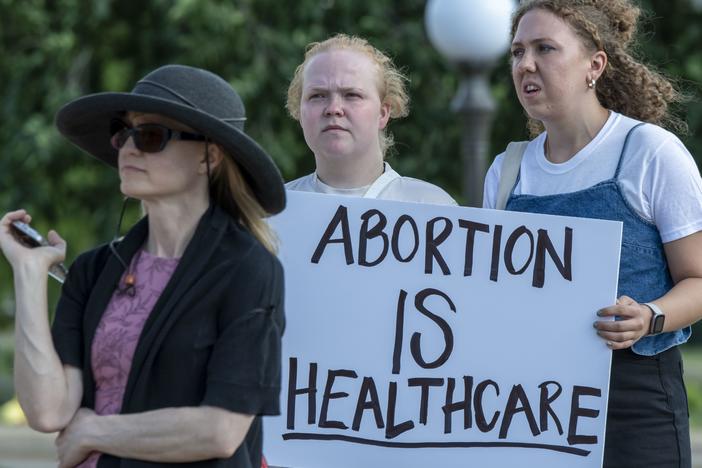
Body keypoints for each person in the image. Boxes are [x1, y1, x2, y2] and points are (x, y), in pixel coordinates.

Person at [0, 64, 287, 468]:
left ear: (210, 157)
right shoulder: (95, 269)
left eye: (152, 136)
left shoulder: (248, 269)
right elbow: (48, 412)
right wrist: (28, 274)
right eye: (124, 133)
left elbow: (221, 430)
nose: (129, 148)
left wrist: (94, 431)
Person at [483, 1, 702, 466]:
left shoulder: (649, 152)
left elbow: (699, 280)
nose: (526, 64)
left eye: (545, 48)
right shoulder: (507, 172)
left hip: (637, 406)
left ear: (594, 65)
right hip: (531, 404)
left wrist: (650, 316)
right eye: (518, 51)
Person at [285, 33, 456, 205]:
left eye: (352, 95)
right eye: (317, 96)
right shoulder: (270, 212)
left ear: (383, 113)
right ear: (299, 112)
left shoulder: (432, 208)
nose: (333, 109)